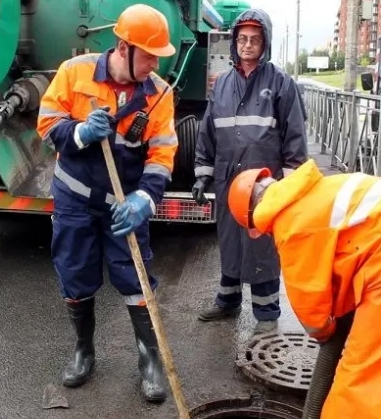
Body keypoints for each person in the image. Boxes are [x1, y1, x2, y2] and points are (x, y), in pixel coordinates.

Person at [226, 158, 381, 419]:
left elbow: (312, 314)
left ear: (254, 225)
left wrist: (329, 332)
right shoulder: (312, 191)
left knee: (361, 377)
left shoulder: (291, 225)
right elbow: (347, 249)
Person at [36, 3, 178, 403]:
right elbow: (46, 124)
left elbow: (162, 153)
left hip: (123, 203)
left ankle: (149, 359)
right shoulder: (74, 72)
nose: (155, 64)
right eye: (149, 55)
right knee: (75, 273)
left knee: (135, 277)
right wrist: (80, 132)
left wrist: (144, 199)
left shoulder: (159, 94)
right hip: (75, 200)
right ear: (123, 48)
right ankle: (84, 351)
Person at [193, 8, 308, 334]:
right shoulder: (222, 84)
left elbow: (295, 135)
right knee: (230, 240)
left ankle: (267, 313)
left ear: (264, 43)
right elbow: (208, 132)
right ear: (234, 42)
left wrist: (292, 184)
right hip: (229, 179)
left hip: (264, 183)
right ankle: (227, 301)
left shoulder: (281, 83)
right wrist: (202, 173)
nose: (247, 45)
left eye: (254, 40)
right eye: (242, 39)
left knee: (262, 246)